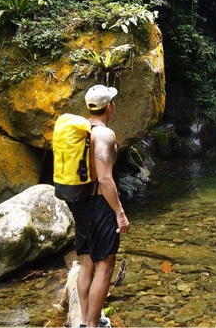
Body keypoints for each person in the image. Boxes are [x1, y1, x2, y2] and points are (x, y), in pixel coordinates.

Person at [66, 84, 130, 327]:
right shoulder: (104, 135)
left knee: (87, 262)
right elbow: (104, 179)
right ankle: (93, 324)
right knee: (105, 265)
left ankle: (85, 319)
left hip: (80, 202)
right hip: (100, 204)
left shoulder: (79, 132)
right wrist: (120, 213)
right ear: (109, 107)